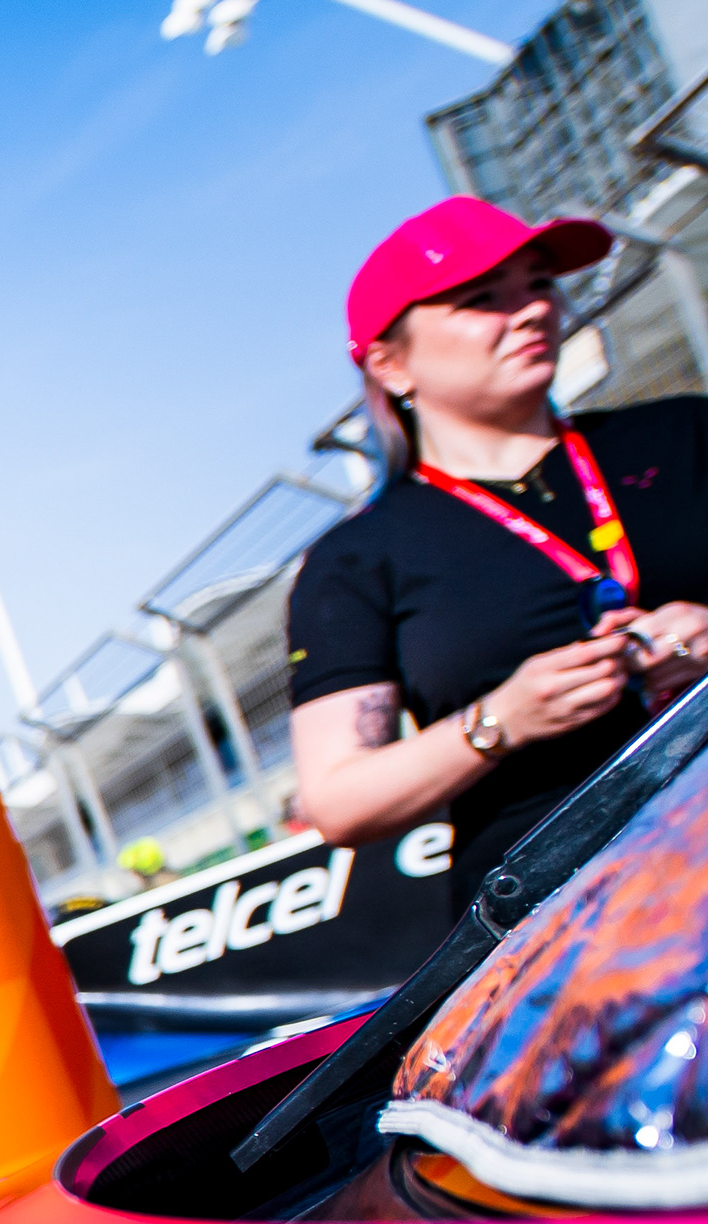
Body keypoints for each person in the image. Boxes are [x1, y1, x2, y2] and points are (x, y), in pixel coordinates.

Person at [288, 197, 708, 916]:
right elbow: (337, 800)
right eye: (484, 300)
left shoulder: (684, 435)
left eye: (539, 284)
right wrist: (502, 721)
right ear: (391, 365)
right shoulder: (356, 558)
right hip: (570, 919)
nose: (531, 311)